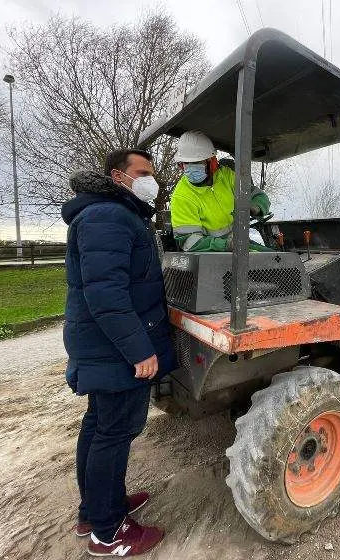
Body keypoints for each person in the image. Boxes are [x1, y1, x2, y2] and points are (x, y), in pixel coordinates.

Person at [61, 149, 177, 557]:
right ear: (118, 176)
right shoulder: (108, 216)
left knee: (99, 426)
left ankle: (96, 511)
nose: (151, 180)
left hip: (105, 344)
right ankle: (109, 533)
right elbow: (106, 295)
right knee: (114, 433)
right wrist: (139, 350)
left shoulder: (111, 213)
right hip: (115, 348)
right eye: (143, 172)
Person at [169, 130, 271, 251]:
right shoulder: (181, 197)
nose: (190, 168)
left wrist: (255, 207)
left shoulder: (227, 176)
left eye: (196, 163)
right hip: (212, 254)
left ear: (211, 162)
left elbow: (259, 196)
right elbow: (189, 241)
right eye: (186, 163)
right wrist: (226, 245)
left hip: (239, 243)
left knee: (277, 259)